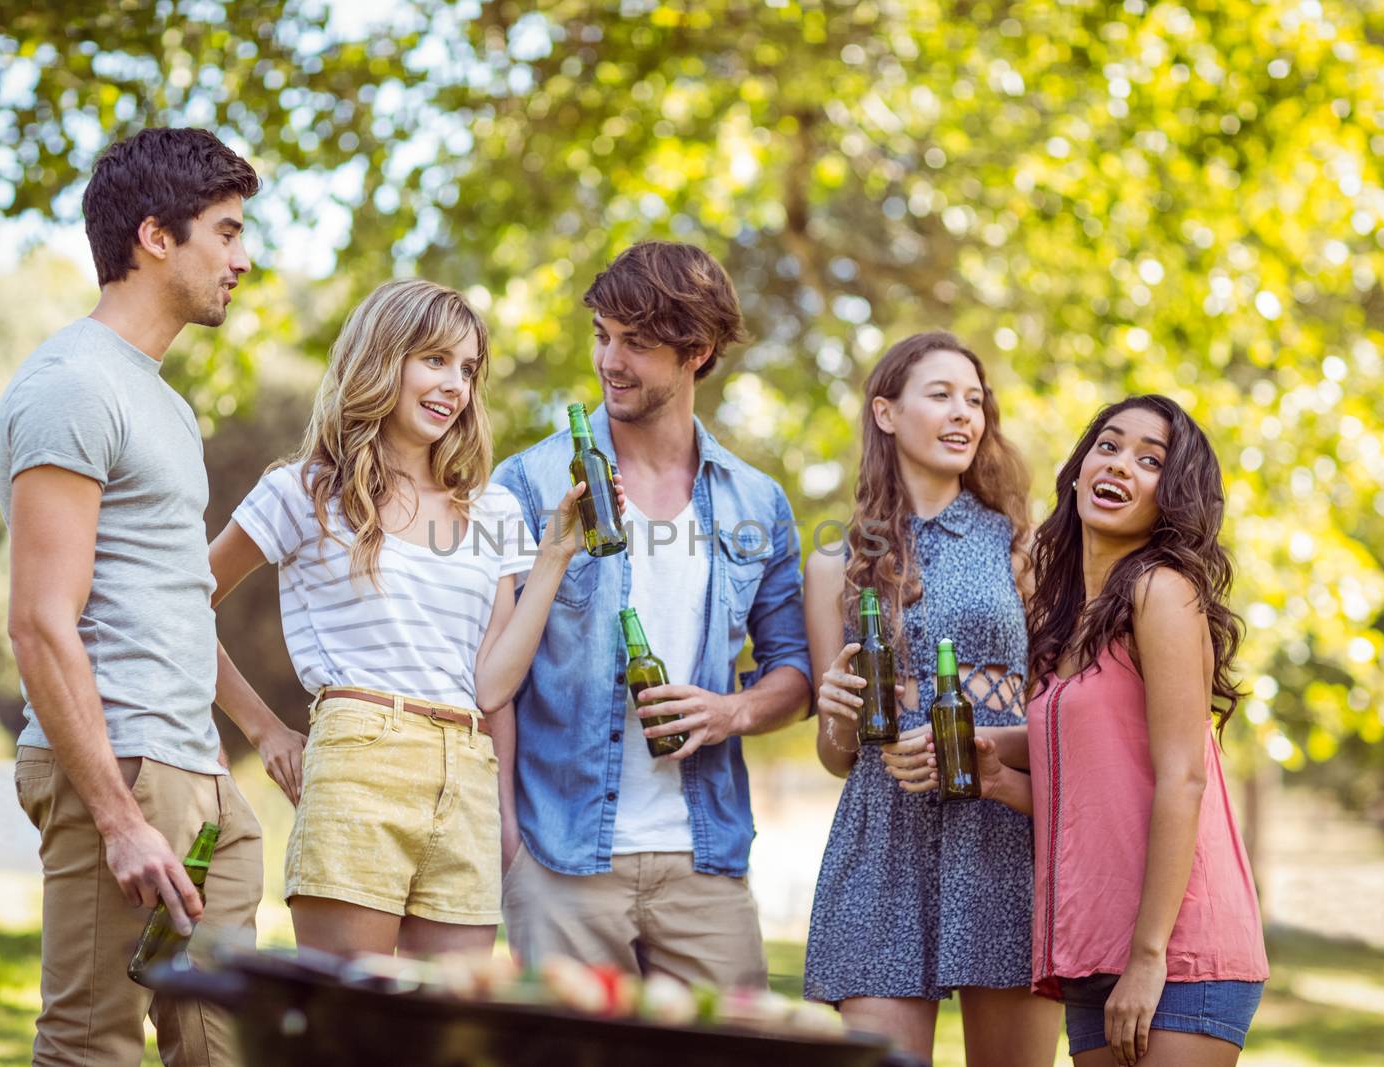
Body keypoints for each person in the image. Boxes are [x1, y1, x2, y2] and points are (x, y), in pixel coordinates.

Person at [207, 278, 610, 958]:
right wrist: (263, 727)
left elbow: (491, 686)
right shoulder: (305, 492)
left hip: (467, 778)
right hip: (360, 763)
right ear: (382, 358)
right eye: (435, 359)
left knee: (447, 1035)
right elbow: (182, 597)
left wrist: (553, 557)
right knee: (349, 1031)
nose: (455, 383)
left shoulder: (495, 513)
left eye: (468, 368)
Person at [0, 128, 270, 1066]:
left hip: (198, 774)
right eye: (227, 233)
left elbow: (180, 597)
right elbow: (39, 619)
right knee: (90, 1046)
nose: (245, 257)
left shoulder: (165, 403)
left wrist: (261, 733)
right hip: (122, 762)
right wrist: (118, 816)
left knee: (222, 1045)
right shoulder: (72, 385)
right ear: (157, 236)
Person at [901, 395, 1268, 1066]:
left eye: (1150, 459)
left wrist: (1148, 958)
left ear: (1174, 495)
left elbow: (1184, 776)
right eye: (1109, 444)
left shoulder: (1161, 591)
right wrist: (995, 775)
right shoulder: (1067, 616)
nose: (1121, 463)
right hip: (1090, 943)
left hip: (1177, 951)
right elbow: (1088, 786)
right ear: (1078, 470)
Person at [493, 241, 812, 988]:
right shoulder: (528, 481)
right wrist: (508, 840)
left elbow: (795, 667)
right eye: (603, 335)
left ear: (696, 352)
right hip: (560, 855)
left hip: (703, 858)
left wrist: (730, 711)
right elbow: (494, 672)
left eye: (636, 343)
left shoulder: (756, 501)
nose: (611, 360)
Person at [803, 332, 1062, 1064]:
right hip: (884, 833)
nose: (964, 415)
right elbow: (835, 756)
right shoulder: (834, 563)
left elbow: (1055, 709)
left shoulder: (1024, 546)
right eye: (941, 395)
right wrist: (838, 716)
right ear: (885, 413)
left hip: (999, 831)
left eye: (975, 400)